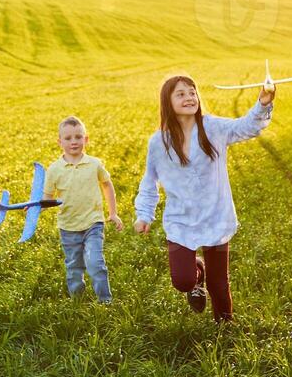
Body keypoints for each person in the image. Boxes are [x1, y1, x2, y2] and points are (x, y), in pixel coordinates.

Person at [133, 75, 275, 321]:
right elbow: (149, 181)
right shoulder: (158, 142)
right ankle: (198, 272)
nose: (189, 97)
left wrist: (263, 102)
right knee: (182, 281)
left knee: (219, 284)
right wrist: (144, 214)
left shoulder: (214, 128)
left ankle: (225, 328)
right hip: (180, 221)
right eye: (181, 94)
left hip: (215, 216)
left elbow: (247, 126)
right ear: (167, 102)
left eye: (192, 92)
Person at [45, 116, 123, 303]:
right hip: (68, 227)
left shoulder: (94, 164)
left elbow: (107, 185)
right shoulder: (54, 169)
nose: (74, 142)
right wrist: (35, 209)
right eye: (68, 138)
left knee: (96, 263)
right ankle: (77, 301)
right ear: (60, 142)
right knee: (74, 267)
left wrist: (113, 213)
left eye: (78, 137)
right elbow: (47, 199)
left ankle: (105, 302)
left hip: (93, 223)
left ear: (86, 139)